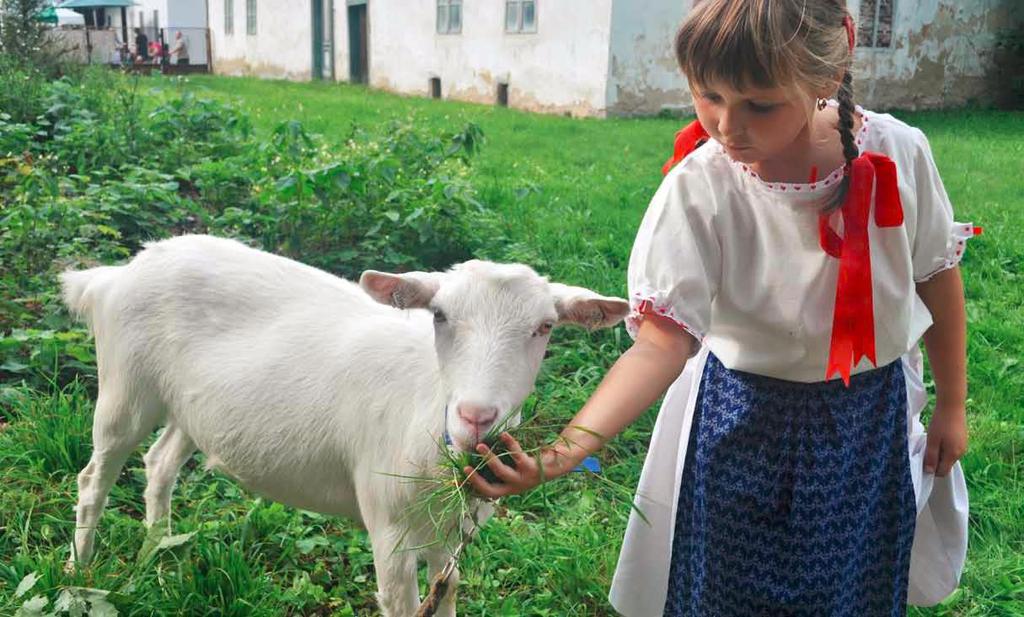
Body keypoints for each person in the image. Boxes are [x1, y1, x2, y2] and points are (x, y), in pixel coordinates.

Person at [463, 1, 975, 615]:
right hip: (741, 423)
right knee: (729, 586)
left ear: (828, 76)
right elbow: (661, 341)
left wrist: (951, 404)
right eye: (707, 96)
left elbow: (937, 278)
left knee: (850, 584)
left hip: (865, 423)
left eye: (759, 104)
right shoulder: (705, 183)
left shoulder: (899, 152)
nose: (727, 126)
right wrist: (569, 449)